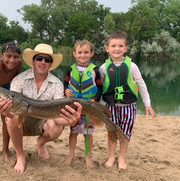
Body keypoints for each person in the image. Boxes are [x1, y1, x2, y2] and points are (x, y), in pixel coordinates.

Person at [0, 43, 82, 173]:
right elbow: (12, 110)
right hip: (22, 121)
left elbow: (58, 117)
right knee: (10, 119)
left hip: (43, 121)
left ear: (51, 64)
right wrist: (7, 113)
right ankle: (20, 155)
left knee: (56, 127)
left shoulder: (57, 84)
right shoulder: (20, 79)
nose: (43, 62)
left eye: (47, 59)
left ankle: (41, 143)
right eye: (39, 58)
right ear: (33, 61)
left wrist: (72, 121)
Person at [99, 30, 155, 170]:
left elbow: (141, 84)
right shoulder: (103, 68)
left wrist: (147, 104)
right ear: (107, 48)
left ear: (125, 48)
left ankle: (122, 158)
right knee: (111, 132)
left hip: (128, 107)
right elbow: (100, 88)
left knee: (125, 133)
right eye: (113, 46)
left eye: (120, 46)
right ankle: (112, 157)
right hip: (110, 107)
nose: (117, 49)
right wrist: (97, 104)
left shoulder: (132, 66)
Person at [63, 40, 102, 169]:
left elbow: (100, 88)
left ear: (91, 53)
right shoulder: (70, 70)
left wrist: (95, 100)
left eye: (86, 52)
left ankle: (87, 156)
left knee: (87, 134)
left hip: (88, 108)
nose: (82, 55)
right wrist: (66, 90)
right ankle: (71, 155)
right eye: (80, 52)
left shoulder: (95, 70)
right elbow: (66, 83)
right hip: (74, 107)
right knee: (73, 132)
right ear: (74, 54)